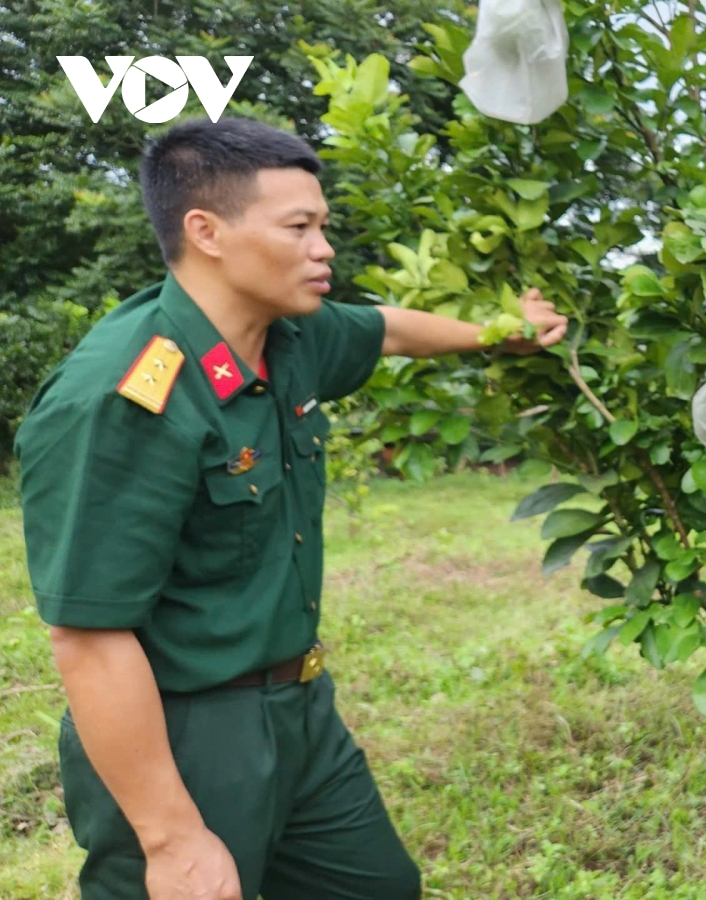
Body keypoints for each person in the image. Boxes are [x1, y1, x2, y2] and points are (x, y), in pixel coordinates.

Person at [14, 117, 567, 900]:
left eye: (324, 227)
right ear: (206, 231)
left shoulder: (287, 335)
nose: (324, 248)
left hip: (302, 709)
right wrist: (171, 836)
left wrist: (500, 334)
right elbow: (89, 638)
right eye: (300, 227)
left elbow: (389, 332)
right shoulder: (126, 397)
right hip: (182, 736)